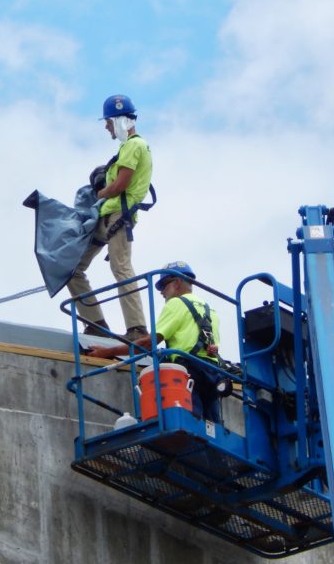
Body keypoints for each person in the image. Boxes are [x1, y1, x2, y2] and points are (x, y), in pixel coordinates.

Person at [87, 261, 228, 422]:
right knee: (212, 428)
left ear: (177, 282)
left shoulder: (176, 303)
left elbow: (148, 344)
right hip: (212, 374)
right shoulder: (211, 310)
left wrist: (107, 352)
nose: (161, 293)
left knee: (189, 422)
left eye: (163, 285)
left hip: (189, 373)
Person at [67, 94, 152, 341]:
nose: (106, 127)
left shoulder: (135, 145)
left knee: (121, 267)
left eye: (108, 122)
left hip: (118, 216)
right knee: (73, 268)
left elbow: (120, 185)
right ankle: (95, 323)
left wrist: (101, 192)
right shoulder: (126, 148)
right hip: (106, 217)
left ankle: (137, 329)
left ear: (120, 120)